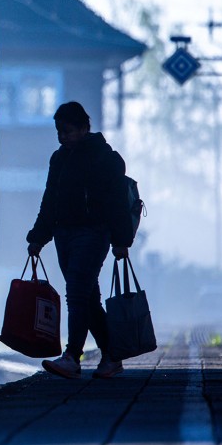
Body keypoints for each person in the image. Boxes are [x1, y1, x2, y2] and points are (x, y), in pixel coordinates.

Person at [26, 101, 134, 379]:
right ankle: (112, 356)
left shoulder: (106, 159)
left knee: (76, 292)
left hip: (94, 234)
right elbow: (50, 200)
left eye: (69, 131)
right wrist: (39, 236)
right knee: (89, 298)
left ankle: (72, 356)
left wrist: (121, 240)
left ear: (85, 128)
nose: (63, 137)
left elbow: (118, 203)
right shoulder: (58, 159)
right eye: (60, 132)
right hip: (65, 235)